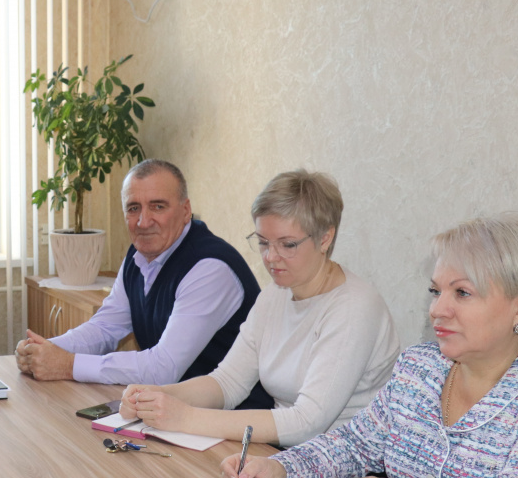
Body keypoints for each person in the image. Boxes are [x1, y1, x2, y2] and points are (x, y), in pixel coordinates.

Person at [223, 212, 518, 478]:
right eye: (436, 291)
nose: (437, 309)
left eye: (462, 293)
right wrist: (281, 469)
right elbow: (355, 446)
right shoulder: (420, 367)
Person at [120, 169, 399, 446]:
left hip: (346, 464)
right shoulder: (275, 294)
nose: (271, 257)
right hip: (286, 455)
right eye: (263, 242)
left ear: (325, 238)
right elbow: (228, 382)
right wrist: (156, 396)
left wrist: (185, 417)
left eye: (287, 244)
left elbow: (306, 423)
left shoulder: (354, 309)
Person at [16, 159, 269, 409]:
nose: (143, 221)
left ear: (185, 211)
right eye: (133, 208)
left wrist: (67, 365)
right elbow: (105, 327)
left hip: (235, 421)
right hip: (172, 412)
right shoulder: (138, 256)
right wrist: (44, 350)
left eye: (158, 206)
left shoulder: (210, 267)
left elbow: (163, 368)